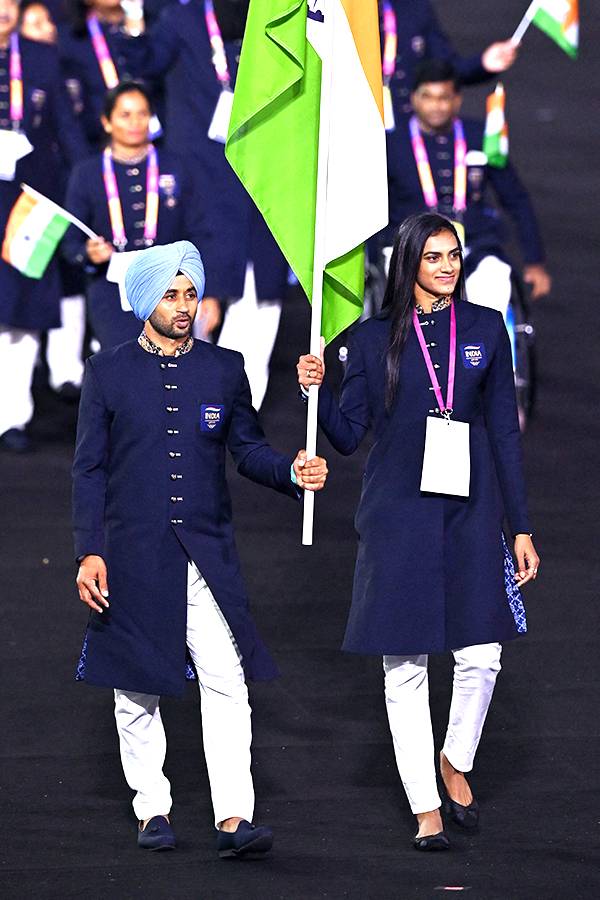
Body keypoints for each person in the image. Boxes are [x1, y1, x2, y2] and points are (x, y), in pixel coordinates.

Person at [73, 240, 328, 853]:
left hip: (207, 554)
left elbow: (247, 450)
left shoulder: (224, 367)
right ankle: (151, 808)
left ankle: (234, 817)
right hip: (133, 555)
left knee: (227, 681)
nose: (184, 306)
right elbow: (88, 471)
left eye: (190, 293)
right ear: (143, 303)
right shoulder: (107, 373)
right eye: (170, 295)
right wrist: (88, 550)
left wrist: (292, 472)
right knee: (135, 687)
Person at [298, 213, 539, 850]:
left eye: (453, 255)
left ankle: (454, 759)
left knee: (482, 653)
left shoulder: (486, 327)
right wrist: (319, 391)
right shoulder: (372, 339)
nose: (447, 266)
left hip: (472, 506)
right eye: (433, 257)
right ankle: (423, 805)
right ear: (408, 264)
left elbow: (505, 436)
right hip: (399, 511)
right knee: (404, 661)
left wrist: (521, 527)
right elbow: (347, 438)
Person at [133, 0, 290, 409]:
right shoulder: (184, 17)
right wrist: (132, 18)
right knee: (193, 295)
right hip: (202, 180)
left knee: (260, 300)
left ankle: (242, 411)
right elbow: (145, 63)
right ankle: (184, 404)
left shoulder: (277, 17)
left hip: (262, 177)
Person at [384, 59, 551, 318]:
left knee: (494, 279)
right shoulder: (390, 144)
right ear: (414, 100)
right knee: (403, 289)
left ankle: (480, 357)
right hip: (409, 247)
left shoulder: (482, 136)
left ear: (457, 100)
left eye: (444, 97)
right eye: (427, 97)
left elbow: (516, 199)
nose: (436, 105)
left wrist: (535, 261)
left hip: (473, 246)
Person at [64, 80, 220, 349]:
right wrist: (89, 253)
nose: (135, 122)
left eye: (143, 113)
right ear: (107, 122)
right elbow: (70, 243)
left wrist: (210, 293)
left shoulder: (177, 167)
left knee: (173, 369)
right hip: (111, 290)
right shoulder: (87, 173)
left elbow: (203, 232)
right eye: (125, 115)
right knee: (124, 372)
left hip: (172, 288)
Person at [0, 0, 86, 451]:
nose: (4, 9)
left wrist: (86, 186)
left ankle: (11, 417)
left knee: (23, 303)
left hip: (28, 197)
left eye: (12, 2)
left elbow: (67, 129)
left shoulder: (40, 57)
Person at [379, 0, 519, 125]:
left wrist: (481, 63)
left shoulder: (412, 7)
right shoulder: (357, 17)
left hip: (407, 133)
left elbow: (445, 68)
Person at [58, 0, 148, 152]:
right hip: (97, 142)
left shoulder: (155, 24)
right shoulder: (71, 38)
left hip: (153, 135)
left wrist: (136, 28)